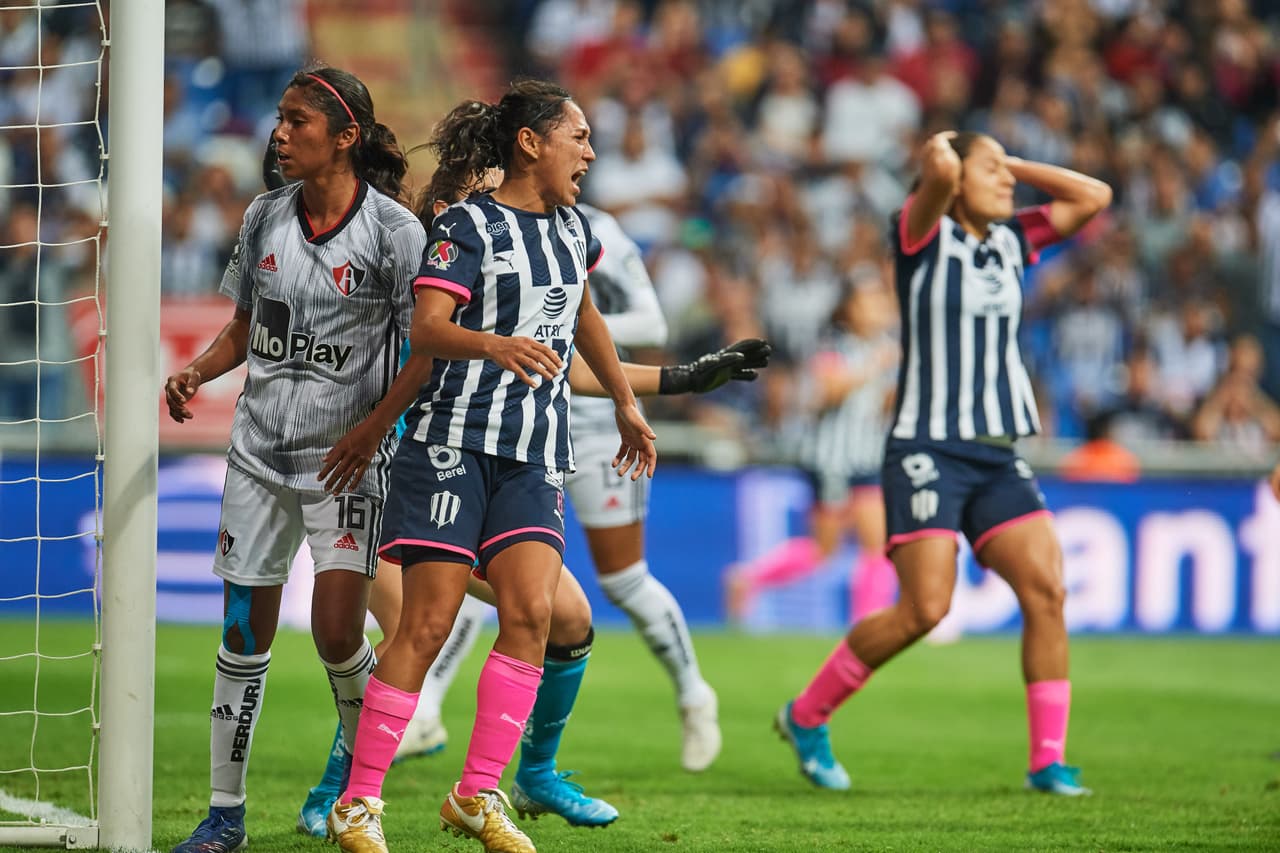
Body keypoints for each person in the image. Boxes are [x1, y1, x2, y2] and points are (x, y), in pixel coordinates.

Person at [327, 80, 656, 853]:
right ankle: (358, 801)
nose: (591, 151)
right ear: (531, 143)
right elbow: (430, 329)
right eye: (578, 136)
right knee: (430, 622)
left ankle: (477, 793)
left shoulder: (574, 230)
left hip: (535, 454)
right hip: (452, 443)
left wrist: (624, 402)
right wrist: (496, 344)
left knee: (534, 617)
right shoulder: (466, 225)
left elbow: (585, 316)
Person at [773, 130, 1111, 797]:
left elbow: (1094, 195)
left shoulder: (1013, 239)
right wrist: (947, 166)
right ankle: (807, 713)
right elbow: (929, 189)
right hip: (926, 448)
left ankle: (1048, 760)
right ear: (953, 178)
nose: (1008, 181)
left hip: (996, 450)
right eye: (992, 170)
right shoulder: (920, 233)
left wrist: (1004, 160)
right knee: (924, 608)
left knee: (1046, 590)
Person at [164, 65, 433, 853]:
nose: (278, 134)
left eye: (296, 122)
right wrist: (197, 370)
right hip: (256, 455)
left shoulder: (392, 233)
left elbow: (424, 353)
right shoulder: (263, 218)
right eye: (278, 119)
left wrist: (373, 430)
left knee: (337, 632)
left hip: (346, 463)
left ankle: (357, 780)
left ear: (344, 136)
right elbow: (245, 327)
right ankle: (225, 815)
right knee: (244, 630)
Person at [726, 264, 900, 626]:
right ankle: (749, 579)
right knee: (824, 549)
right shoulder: (833, 347)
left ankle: (867, 624)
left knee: (878, 544)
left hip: (868, 458)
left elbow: (883, 406)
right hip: (831, 461)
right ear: (848, 310)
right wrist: (873, 367)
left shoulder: (888, 350)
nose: (880, 310)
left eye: (882, 303)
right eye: (870, 303)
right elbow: (829, 393)